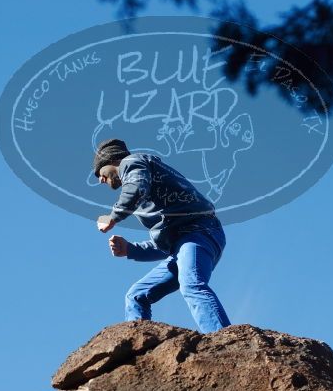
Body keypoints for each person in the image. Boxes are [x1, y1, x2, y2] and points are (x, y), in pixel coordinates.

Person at [92, 138, 231, 334]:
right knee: (136, 295)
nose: (100, 179)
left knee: (191, 285)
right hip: (184, 242)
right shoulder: (150, 186)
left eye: (100, 172)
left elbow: (136, 188)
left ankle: (224, 339)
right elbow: (166, 243)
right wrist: (130, 249)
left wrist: (113, 216)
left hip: (199, 231)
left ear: (111, 160)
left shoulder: (131, 162)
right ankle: (135, 346)